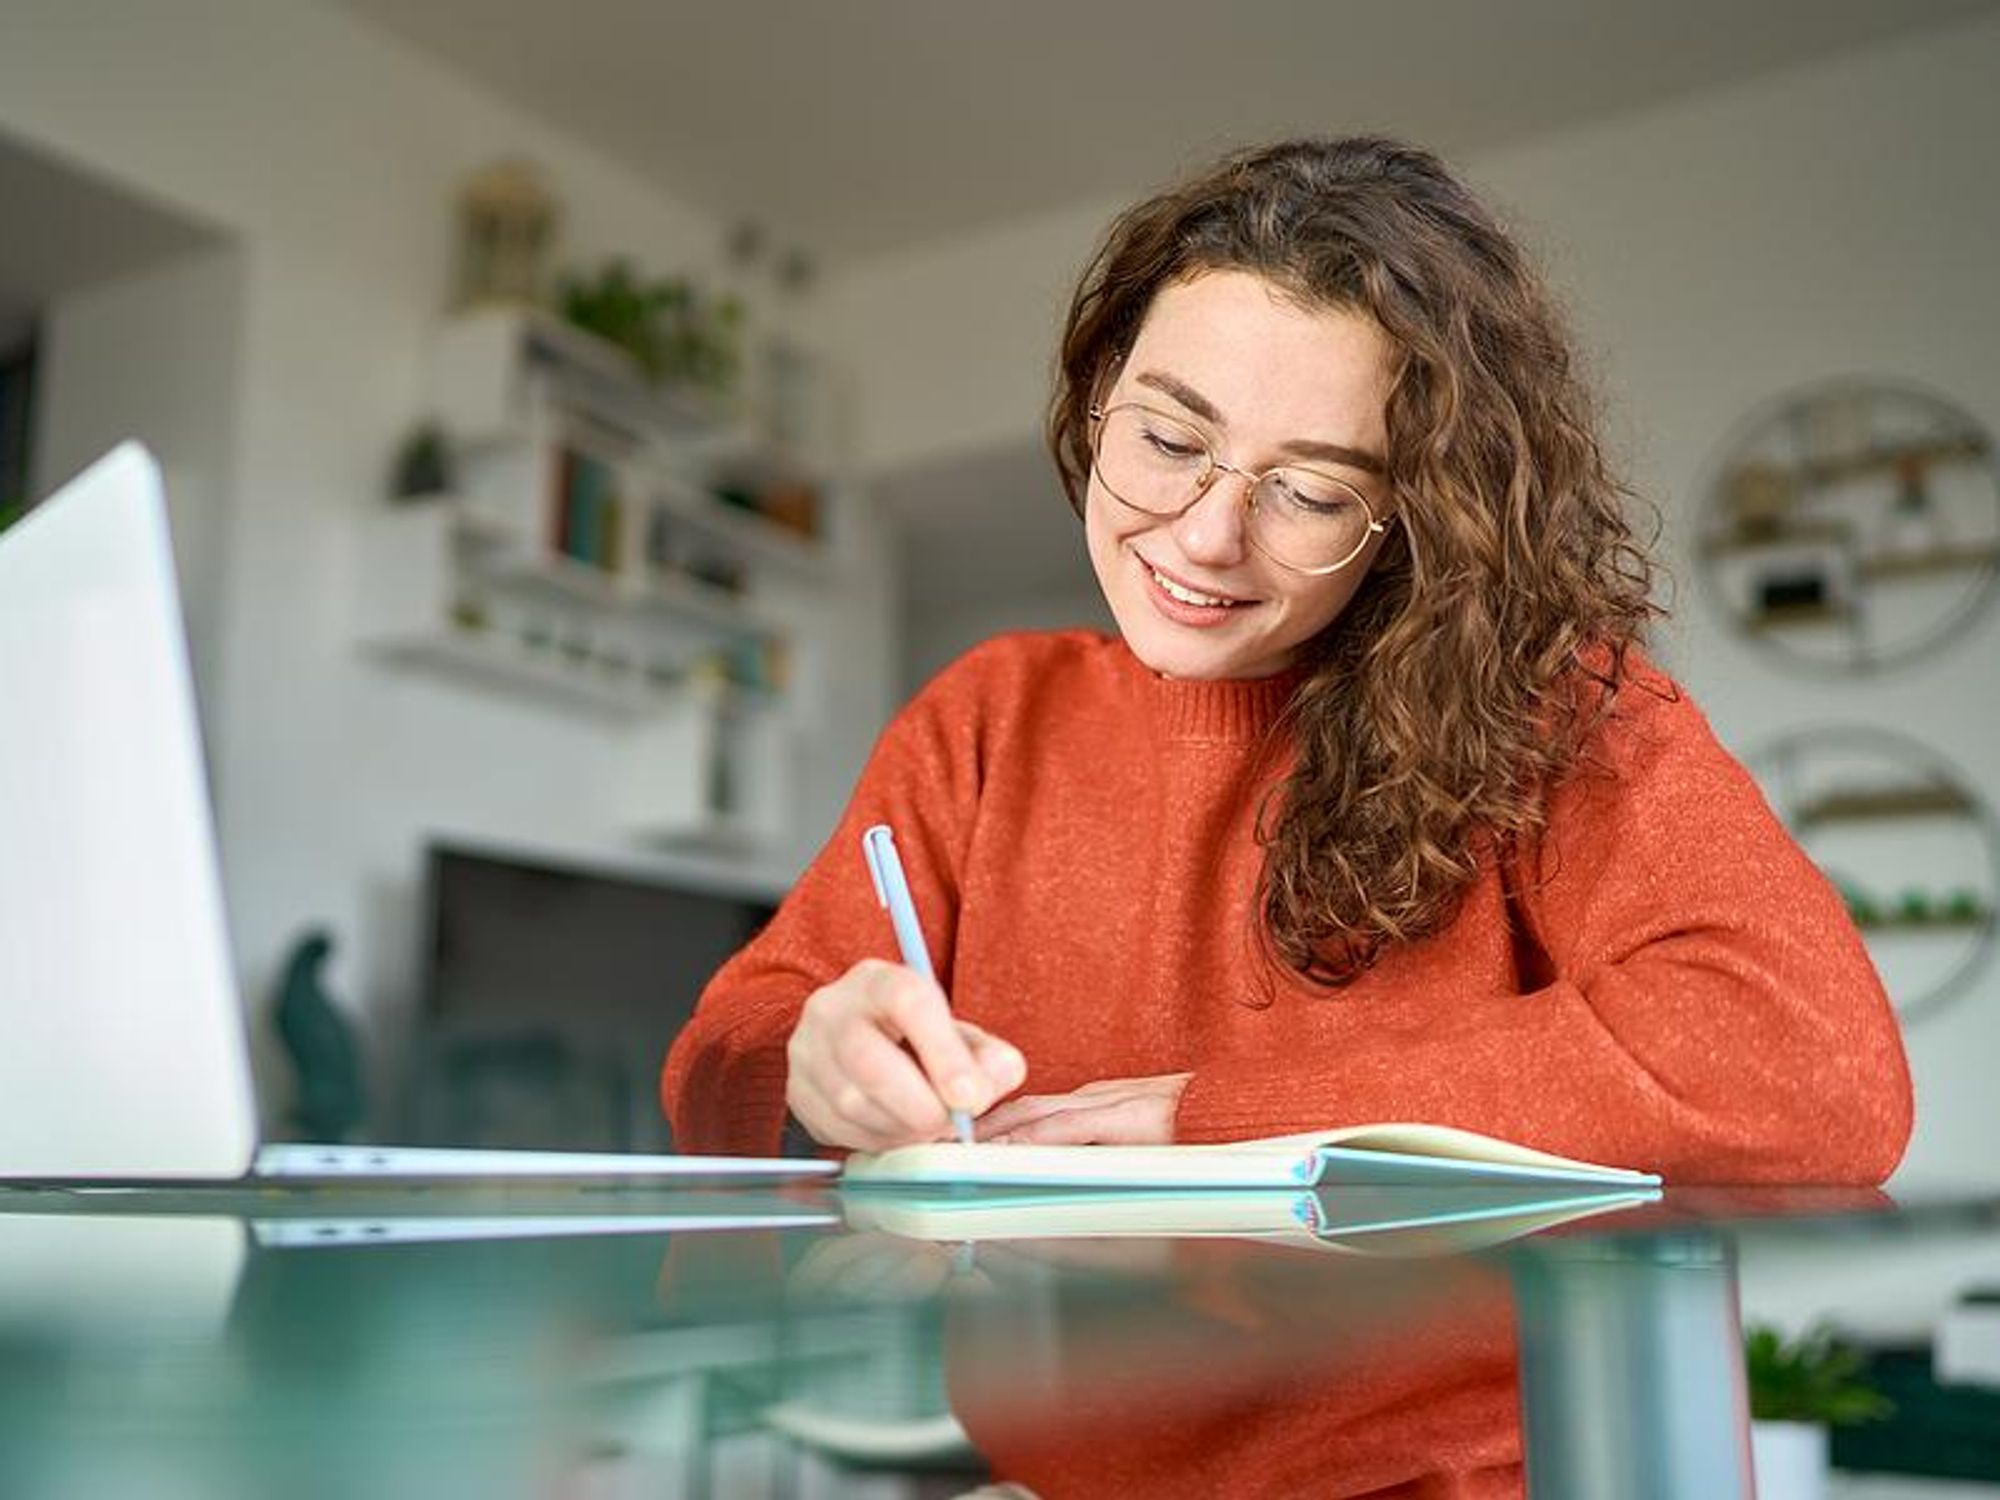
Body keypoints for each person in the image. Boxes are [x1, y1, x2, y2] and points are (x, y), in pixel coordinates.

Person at [661, 135, 1911, 1186]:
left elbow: (1809, 1064)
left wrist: (1209, 1122)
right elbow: (725, 1050)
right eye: (1163, 436)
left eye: (1310, 492)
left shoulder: (1548, 704)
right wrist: (812, 1060)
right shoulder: (988, 720)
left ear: (1417, 513)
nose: (1204, 535)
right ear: (1098, 389)